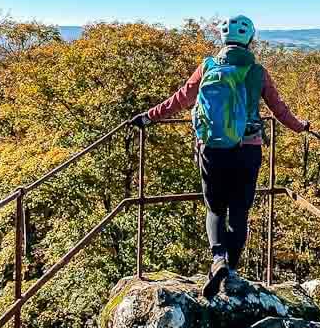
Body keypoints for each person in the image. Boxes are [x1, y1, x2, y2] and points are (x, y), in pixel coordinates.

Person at [131, 15, 309, 299]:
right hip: (248, 148)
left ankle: (218, 260)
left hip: (211, 148)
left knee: (215, 209)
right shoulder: (257, 72)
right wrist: (301, 127)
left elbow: (181, 99)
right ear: (250, 39)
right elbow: (279, 110)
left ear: (223, 40)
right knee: (239, 212)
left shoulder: (208, 67)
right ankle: (232, 274)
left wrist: (148, 117)